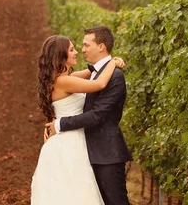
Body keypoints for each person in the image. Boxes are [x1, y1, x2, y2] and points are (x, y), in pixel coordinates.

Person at [30, 33, 124, 204]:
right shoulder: (64, 82)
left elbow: (93, 71)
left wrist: (109, 61)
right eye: (72, 49)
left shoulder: (64, 79)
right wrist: (113, 63)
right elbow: (99, 84)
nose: (77, 52)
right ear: (61, 56)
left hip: (70, 138)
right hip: (70, 143)